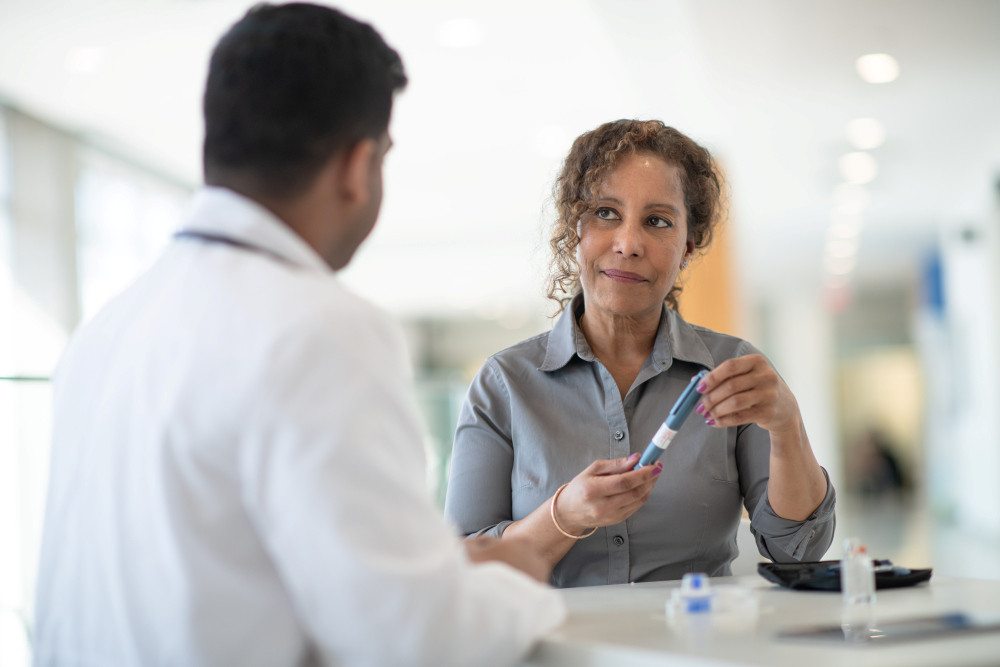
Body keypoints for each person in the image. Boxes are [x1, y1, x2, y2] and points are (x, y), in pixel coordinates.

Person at [33, 4, 564, 666]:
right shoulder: (320, 327)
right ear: (357, 164)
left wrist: (429, 573)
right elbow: (418, 641)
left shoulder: (106, 328)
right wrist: (513, 574)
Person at [445, 119, 836, 588]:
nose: (628, 244)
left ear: (687, 249)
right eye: (606, 213)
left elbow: (799, 550)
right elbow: (466, 563)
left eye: (658, 222)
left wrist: (787, 426)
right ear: (576, 232)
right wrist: (563, 515)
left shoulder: (731, 372)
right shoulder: (504, 384)